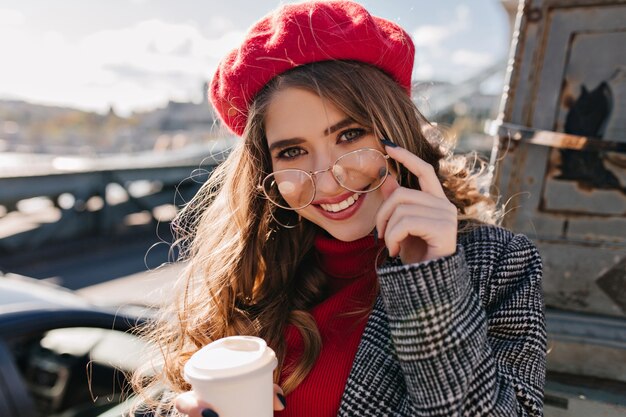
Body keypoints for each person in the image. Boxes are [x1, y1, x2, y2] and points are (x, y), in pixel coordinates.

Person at [131, 1, 546, 416]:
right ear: (266, 167)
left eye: (349, 135)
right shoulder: (248, 272)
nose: (327, 181)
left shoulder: (498, 264)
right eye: (292, 151)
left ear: (394, 130)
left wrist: (431, 281)